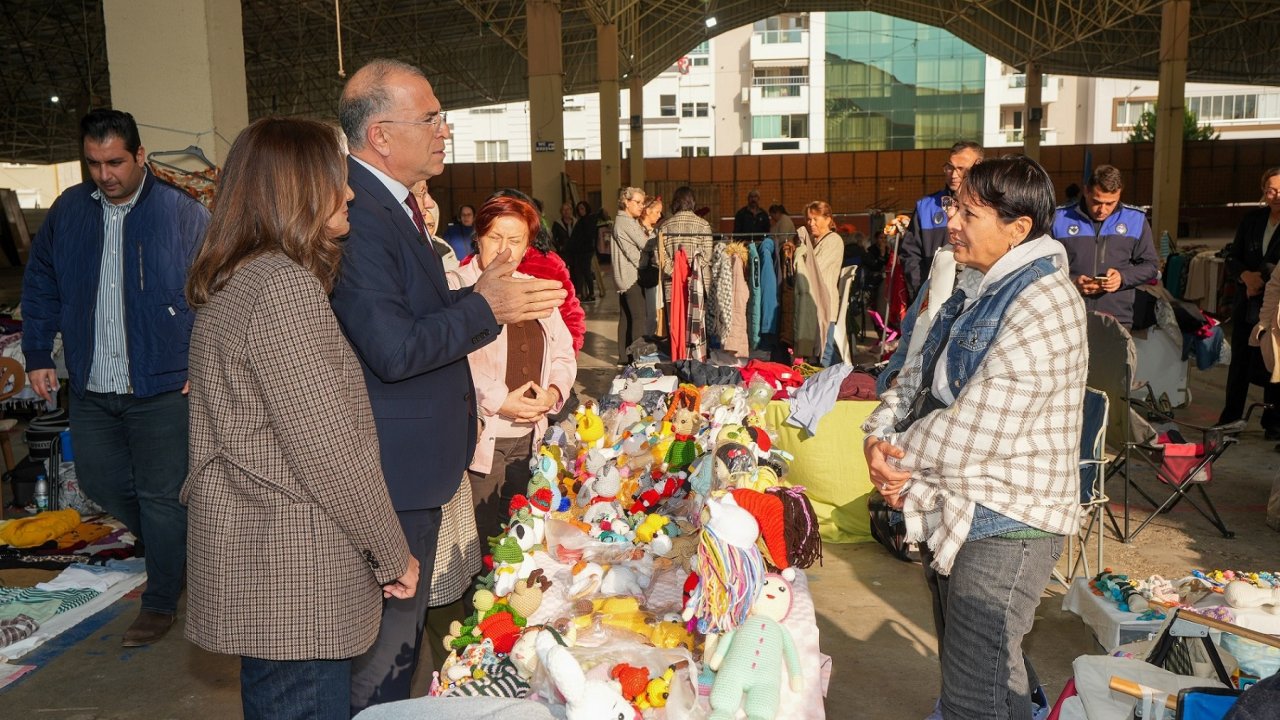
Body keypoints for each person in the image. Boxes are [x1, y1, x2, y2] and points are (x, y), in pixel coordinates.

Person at [330, 58, 566, 714]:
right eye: (430, 117)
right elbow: (395, 348)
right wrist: (485, 307)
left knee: (400, 643)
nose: (445, 130)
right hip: (393, 472)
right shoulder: (362, 215)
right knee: (385, 649)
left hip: (419, 467)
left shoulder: (395, 207)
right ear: (381, 134)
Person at [182, 117, 417, 720]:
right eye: (336, 179)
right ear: (297, 189)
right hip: (293, 572)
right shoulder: (282, 287)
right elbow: (331, 451)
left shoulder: (238, 278)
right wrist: (393, 552)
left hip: (261, 558)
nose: (350, 193)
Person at [862, 155, 1086, 720]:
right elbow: (916, 373)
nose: (952, 222)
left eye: (970, 213)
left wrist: (899, 461)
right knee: (987, 667)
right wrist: (878, 436)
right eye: (954, 207)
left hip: (1009, 514)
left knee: (970, 691)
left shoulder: (1046, 301)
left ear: (1018, 228)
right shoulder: (973, 283)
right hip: (956, 498)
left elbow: (978, 425)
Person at [21, 108, 209, 647]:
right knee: (101, 482)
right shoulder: (69, 211)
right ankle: (181, 551)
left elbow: (214, 293)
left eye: (115, 162)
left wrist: (201, 360)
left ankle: (160, 600)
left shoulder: (182, 214)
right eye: (94, 163)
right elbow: (41, 285)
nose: (105, 174)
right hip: (92, 383)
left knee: (159, 493)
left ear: (140, 156)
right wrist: (36, 352)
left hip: (162, 384)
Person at [448, 194, 576, 550]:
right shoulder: (455, 286)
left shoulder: (530, 288)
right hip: (479, 438)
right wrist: (500, 400)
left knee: (519, 535)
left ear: (527, 246)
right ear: (479, 237)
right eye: (494, 238)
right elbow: (449, 360)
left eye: (515, 241)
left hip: (528, 436)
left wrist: (553, 392)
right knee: (480, 540)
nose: (504, 250)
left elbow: (564, 352)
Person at [1050, 164, 1158, 328]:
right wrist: (1071, 283)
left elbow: (1150, 266)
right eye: (1097, 202)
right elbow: (1042, 266)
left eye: (1110, 203)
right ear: (1086, 191)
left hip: (1117, 318)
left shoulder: (1135, 220)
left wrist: (1122, 278)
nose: (1102, 210)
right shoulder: (1059, 218)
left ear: (1120, 193)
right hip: (1068, 316)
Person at [1221, 166, 1280, 437]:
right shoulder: (1252, 220)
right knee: (1240, 364)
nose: (1277, 195)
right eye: (1272, 190)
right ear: (1263, 192)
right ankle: (1231, 419)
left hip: (1276, 305)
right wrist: (1245, 275)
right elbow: (1232, 256)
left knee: (1275, 362)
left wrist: (1263, 278)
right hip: (1248, 302)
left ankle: (1274, 421)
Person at [899, 141, 984, 300]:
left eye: (961, 168)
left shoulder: (991, 206)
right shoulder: (925, 206)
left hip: (976, 296)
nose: (954, 174)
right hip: (933, 297)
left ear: (978, 167)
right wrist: (922, 291)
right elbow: (910, 254)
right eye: (950, 167)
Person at [795, 200, 843, 362]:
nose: (811, 223)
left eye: (815, 219)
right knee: (816, 351)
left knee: (825, 350)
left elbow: (815, 270)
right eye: (808, 219)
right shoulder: (815, 242)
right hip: (814, 304)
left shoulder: (833, 240)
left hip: (825, 304)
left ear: (828, 219)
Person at [613, 186, 649, 365]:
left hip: (623, 277)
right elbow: (645, 244)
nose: (641, 206)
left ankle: (624, 357)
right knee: (639, 317)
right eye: (637, 202)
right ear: (626, 202)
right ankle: (639, 358)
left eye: (642, 203)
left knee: (626, 317)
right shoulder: (626, 221)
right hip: (630, 276)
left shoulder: (622, 220)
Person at [567, 200, 597, 301]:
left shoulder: (588, 220)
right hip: (580, 251)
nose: (580, 211)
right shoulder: (582, 220)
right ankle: (582, 293)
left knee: (586, 272)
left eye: (582, 208)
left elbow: (587, 236)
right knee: (580, 272)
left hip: (585, 251)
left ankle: (591, 293)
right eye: (579, 209)